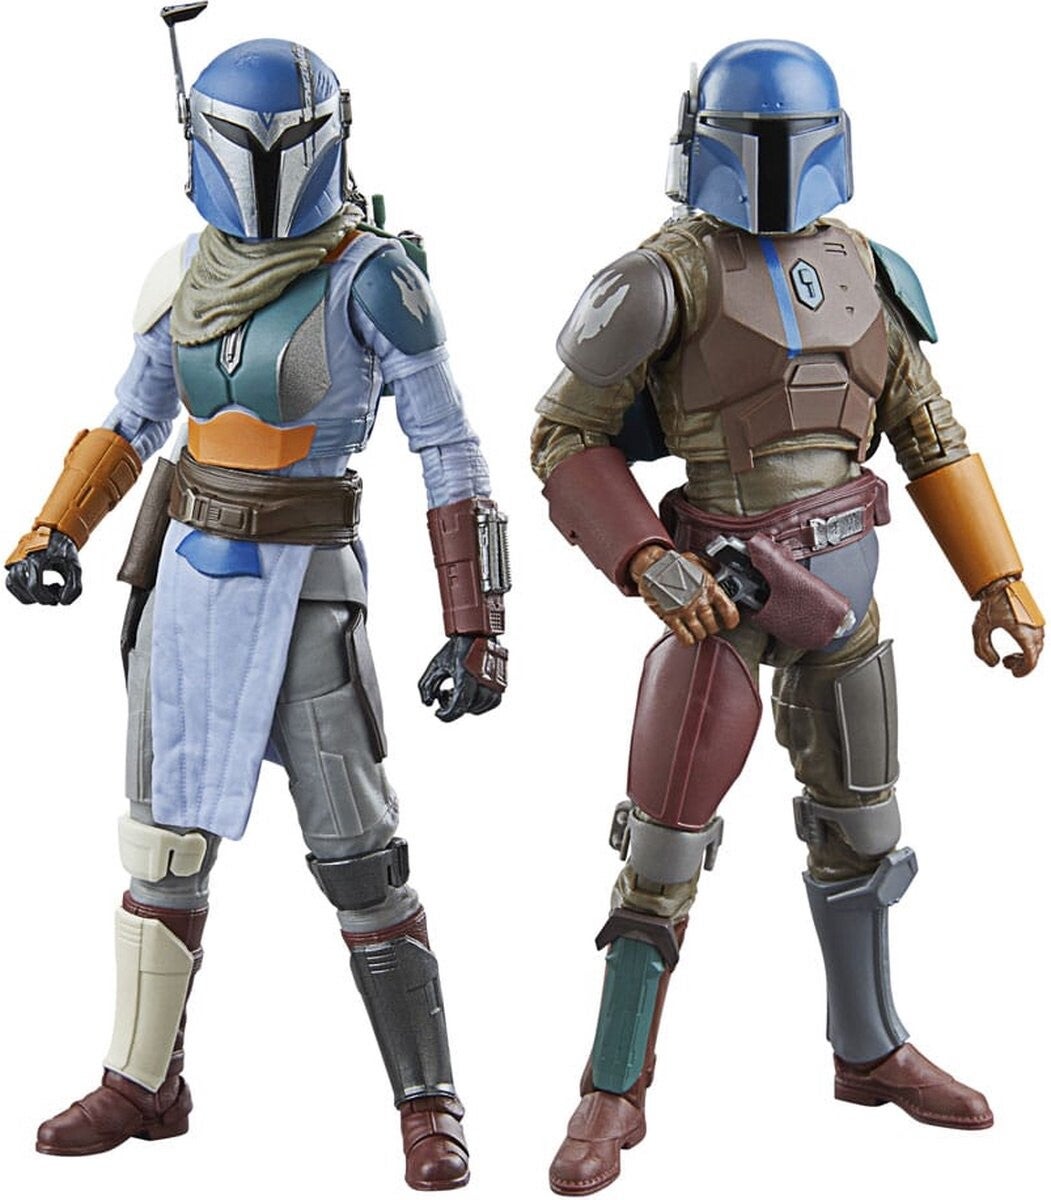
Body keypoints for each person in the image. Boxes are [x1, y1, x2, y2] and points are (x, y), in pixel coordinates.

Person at [532, 38, 1042, 1196]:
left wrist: (996, 579)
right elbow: (564, 436)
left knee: (863, 831)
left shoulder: (866, 268)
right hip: (720, 598)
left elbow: (929, 434)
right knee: (661, 848)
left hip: (844, 599)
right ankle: (612, 1086)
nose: (770, 166)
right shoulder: (663, 277)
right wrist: (647, 560)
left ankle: (869, 1049)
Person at [6, 25, 508, 1193]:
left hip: (307, 589)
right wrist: (52, 530)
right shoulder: (184, 270)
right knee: (161, 846)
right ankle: (144, 1082)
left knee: (360, 859)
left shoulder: (372, 276)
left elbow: (449, 448)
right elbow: (132, 419)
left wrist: (475, 621)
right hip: (187, 582)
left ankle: (428, 1103)